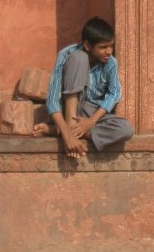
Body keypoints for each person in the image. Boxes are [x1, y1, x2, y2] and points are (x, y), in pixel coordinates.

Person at [33, 16, 133, 158]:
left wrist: (89, 123)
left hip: (90, 114)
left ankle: (58, 131)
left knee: (126, 129)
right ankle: (68, 127)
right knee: (79, 57)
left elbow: (115, 94)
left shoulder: (110, 62)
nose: (109, 51)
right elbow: (53, 100)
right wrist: (68, 137)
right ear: (87, 45)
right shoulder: (67, 54)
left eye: (111, 46)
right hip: (67, 109)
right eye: (103, 47)